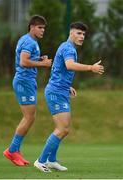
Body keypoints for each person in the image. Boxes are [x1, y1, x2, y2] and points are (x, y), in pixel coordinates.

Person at [34, 22, 104, 172]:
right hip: (55, 92)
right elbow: (70, 65)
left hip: (60, 90)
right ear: (71, 33)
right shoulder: (68, 48)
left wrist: (67, 86)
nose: (82, 37)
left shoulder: (67, 47)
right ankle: (41, 161)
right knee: (62, 129)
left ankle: (51, 160)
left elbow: (59, 69)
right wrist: (91, 67)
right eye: (79, 33)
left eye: (84, 34)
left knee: (63, 129)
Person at [3, 15, 52, 166]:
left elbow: (25, 59)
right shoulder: (28, 41)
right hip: (24, 81)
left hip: (27, 81)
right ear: (32, 27)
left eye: (44, 28)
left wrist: (38, 59)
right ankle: (12, 150)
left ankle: (15, 149)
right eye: (40, 27)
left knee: (30, 117)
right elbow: (23, 62)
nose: (42, 30)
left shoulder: (31, 41)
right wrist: (43, 64)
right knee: (29, 117)